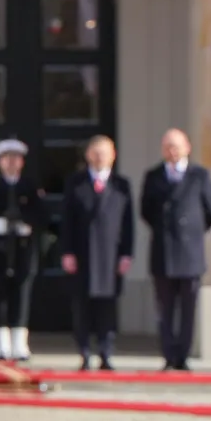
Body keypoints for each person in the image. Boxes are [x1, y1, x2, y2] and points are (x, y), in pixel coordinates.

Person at [140, 128, 211, 370]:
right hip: (163, 252)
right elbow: (146, 210)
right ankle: (168, 355)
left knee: (187, 308)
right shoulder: (153, 176)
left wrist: (191, 231)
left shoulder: (200, 176)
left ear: (187, 148)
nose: (171, 151)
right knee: (165, 309)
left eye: (176, 146)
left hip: (190, 253)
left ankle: (183, 356)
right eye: (167, 146)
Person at [61, 135, 135, 371]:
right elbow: (67, 221)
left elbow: (128, 224)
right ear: (88, 155)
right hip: (82, 255)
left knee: (107, 308)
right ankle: (84, 353)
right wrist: (67, 252)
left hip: (110, 256)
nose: (100, 156)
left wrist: (126, 254)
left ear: (113, 155)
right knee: (81, 308)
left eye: (105, 152)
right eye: (96, 152)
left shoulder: (121, 185)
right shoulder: (76, 182)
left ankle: (106, 352)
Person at [0, 138, 44, 361]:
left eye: (15, 159)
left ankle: (20, 343)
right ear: (0, 162)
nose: (11, 163)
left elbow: (40, 215)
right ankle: (1, 343)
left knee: (21, 294)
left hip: (22, 249)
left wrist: (25, 224)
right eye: (7, 159)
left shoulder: (29, 186)